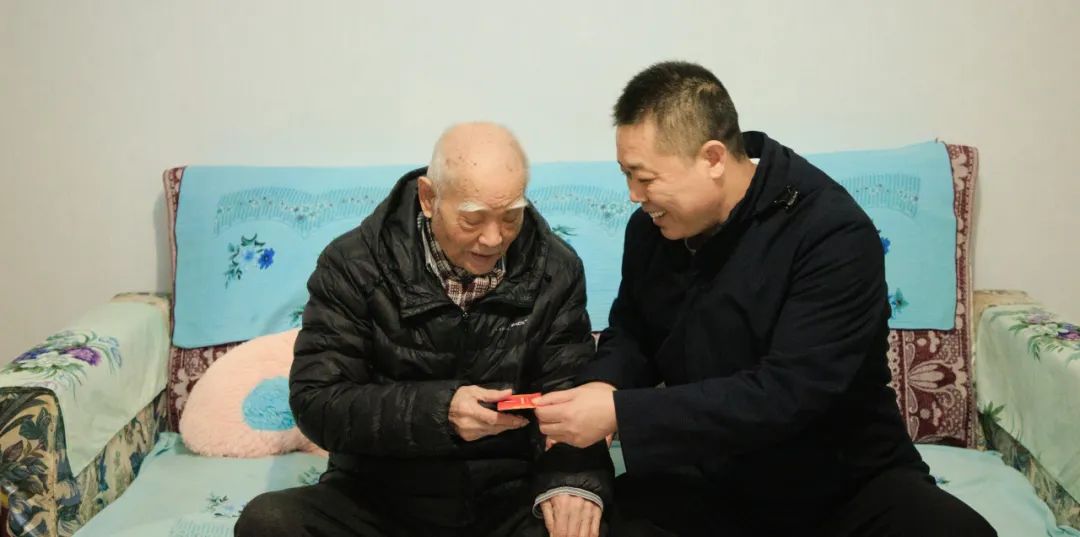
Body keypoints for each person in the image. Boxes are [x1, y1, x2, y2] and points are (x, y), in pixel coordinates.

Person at [533, 61, 996, 536]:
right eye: (626, 175)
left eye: (645, 178)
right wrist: (601, 386)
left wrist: (621, 413)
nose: (634, 196)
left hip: (844, 481)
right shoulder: (652, 230)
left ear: (713, 158)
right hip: (711, 476)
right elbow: (633, 334)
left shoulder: (832, 233)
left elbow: (789, 392)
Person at [235, 122, 612, 537]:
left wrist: (572, 484)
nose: (493, 238)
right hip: (377, 498)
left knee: (608, 523)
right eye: (473, 219)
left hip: (503, 498)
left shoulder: (554, 268)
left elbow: (570, 395)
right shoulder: (353, 264)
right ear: (429, 198)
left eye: (511, 217)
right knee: (269, 522)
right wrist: (439, 412)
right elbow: (318, 402)